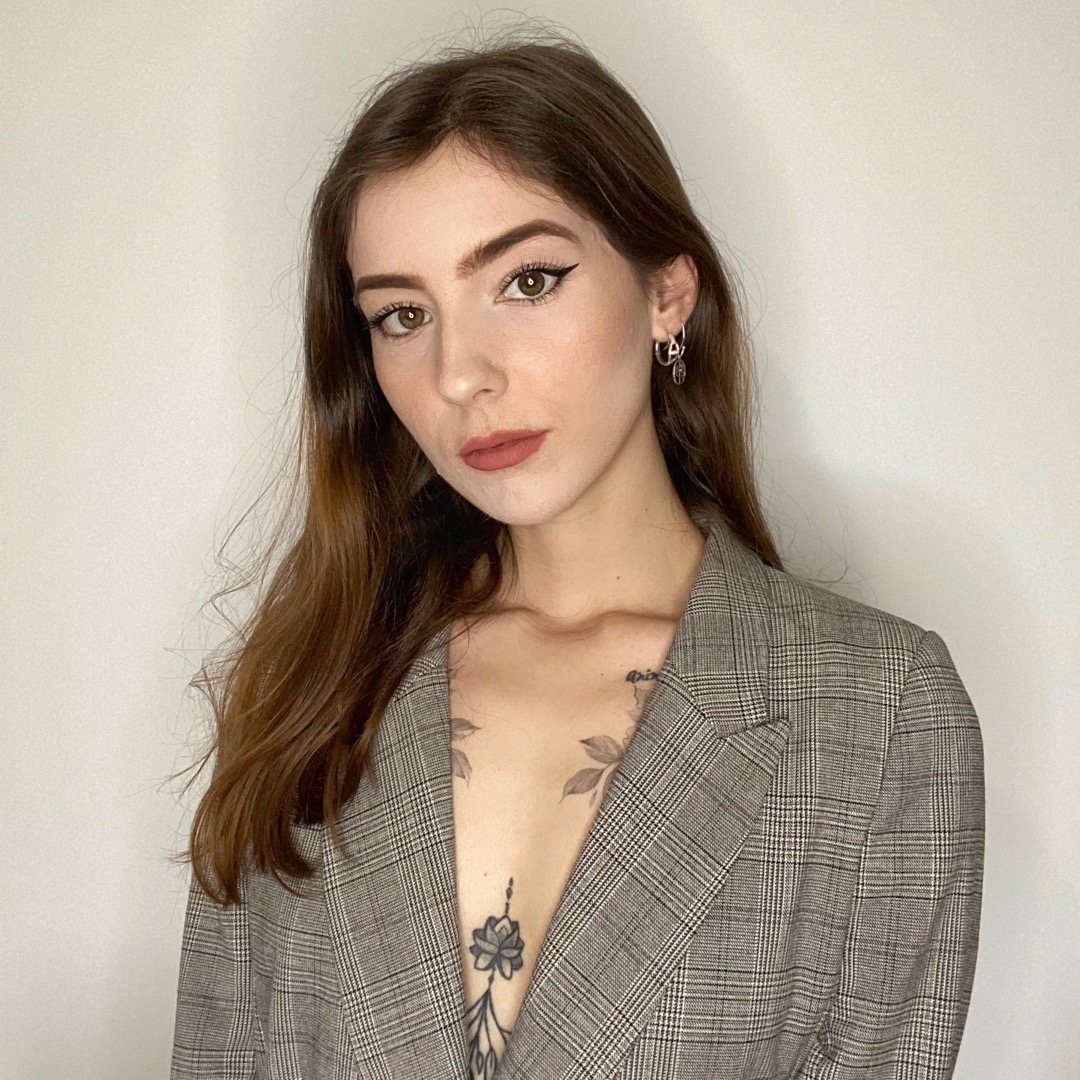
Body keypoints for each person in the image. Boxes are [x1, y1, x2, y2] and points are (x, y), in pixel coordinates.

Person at [171, 27, 985, 1080]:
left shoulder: (876, 712)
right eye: (404, 314)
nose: (461, 373)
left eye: (527, 281)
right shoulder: (309, 685)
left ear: (667, 293)